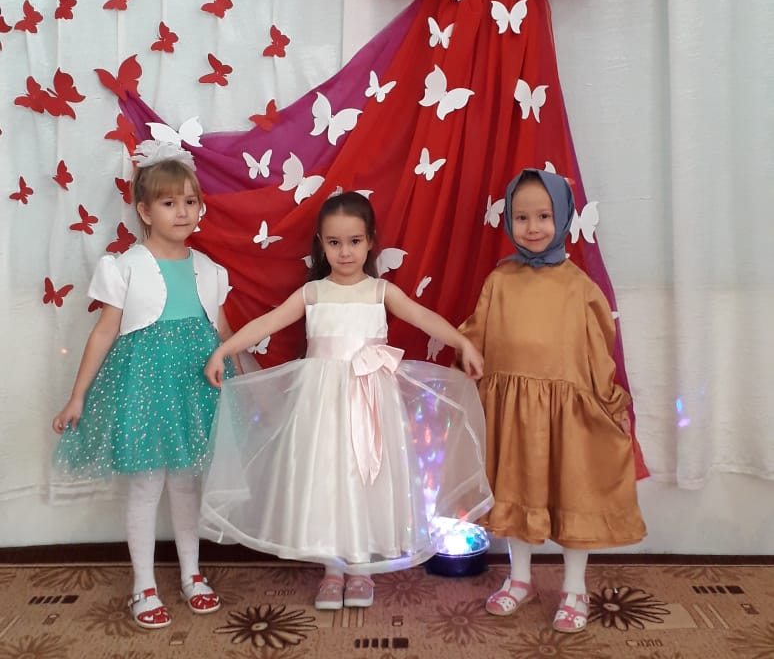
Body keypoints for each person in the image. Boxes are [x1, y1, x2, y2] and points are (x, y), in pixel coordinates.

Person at [201, 191, 492, 611]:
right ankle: (332, 568)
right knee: (326, 478)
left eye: (354, 241)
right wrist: (224, 350)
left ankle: (360, 568)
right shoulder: (313, 293)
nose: (345, 252)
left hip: (373, 400)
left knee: (365, 479)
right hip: (321, 405)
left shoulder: (380, 291)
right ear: (321, 244)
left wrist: (462, 342)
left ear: (370, 241)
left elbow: (422, 316)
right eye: (334, 243)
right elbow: (268, 322)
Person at [51, 140, 233, 630]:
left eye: (190, 201)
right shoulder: (125, 265)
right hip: (145, 389)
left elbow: (222, 333)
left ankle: (192, 575)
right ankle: (144, 584)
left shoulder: (210, 270)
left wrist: (243, 388)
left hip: (195, 386)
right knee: (147, 484)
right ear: (145, 211)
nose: (183, 212)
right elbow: (105, 331)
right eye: (170, 203)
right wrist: (77, 397)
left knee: (187, 484)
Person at [460, 168, 646, 632]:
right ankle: (520, 578)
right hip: (512, 412)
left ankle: (574, 588)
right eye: (522, 217)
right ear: (510, 221)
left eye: (544, 216)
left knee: (572, 493)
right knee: (514, 491)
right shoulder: (499, 280)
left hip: (568, 415)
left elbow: (599, 348)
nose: (533, 227)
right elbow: (476, 335)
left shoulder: (579, 287)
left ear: (562, 217)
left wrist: (610, 401)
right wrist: (466, 365)